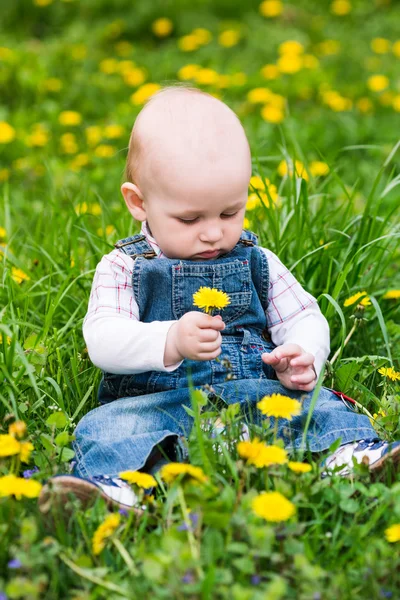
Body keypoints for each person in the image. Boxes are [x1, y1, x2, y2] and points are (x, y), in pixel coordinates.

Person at [38, 86, 399, 514]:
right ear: (139, 202)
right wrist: (169, 340)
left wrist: (304, 354)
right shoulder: (123, 268)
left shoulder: (257, 261)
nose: (213, 232)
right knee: (109, 427)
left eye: (230, 212)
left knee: (319, 406)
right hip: (158, 407)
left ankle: (352, 459)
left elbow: (304, 315)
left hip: (258, 396)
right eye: (189, 218)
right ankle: (120, 490)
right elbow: (103, 339)